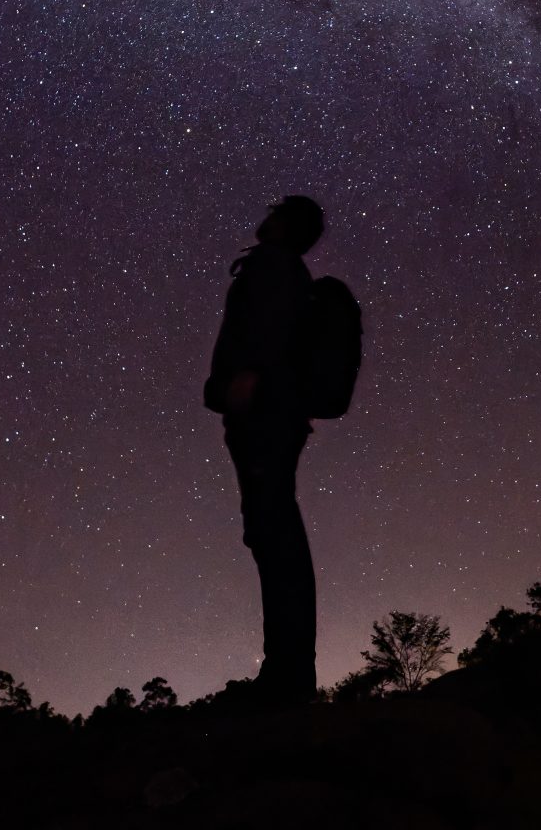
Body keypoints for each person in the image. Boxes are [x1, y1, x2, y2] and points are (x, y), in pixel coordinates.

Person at [204, 195, 325, 704]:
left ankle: (288, 675)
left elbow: (268, 330)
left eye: (276, 210)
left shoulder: (275, 266)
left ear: (284, 223)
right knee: (272, 531)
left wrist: (250, 378)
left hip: (265, 413)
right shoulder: (284, 269)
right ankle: (288, 670)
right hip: (273, 412)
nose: (266, 214)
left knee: (274, 533)